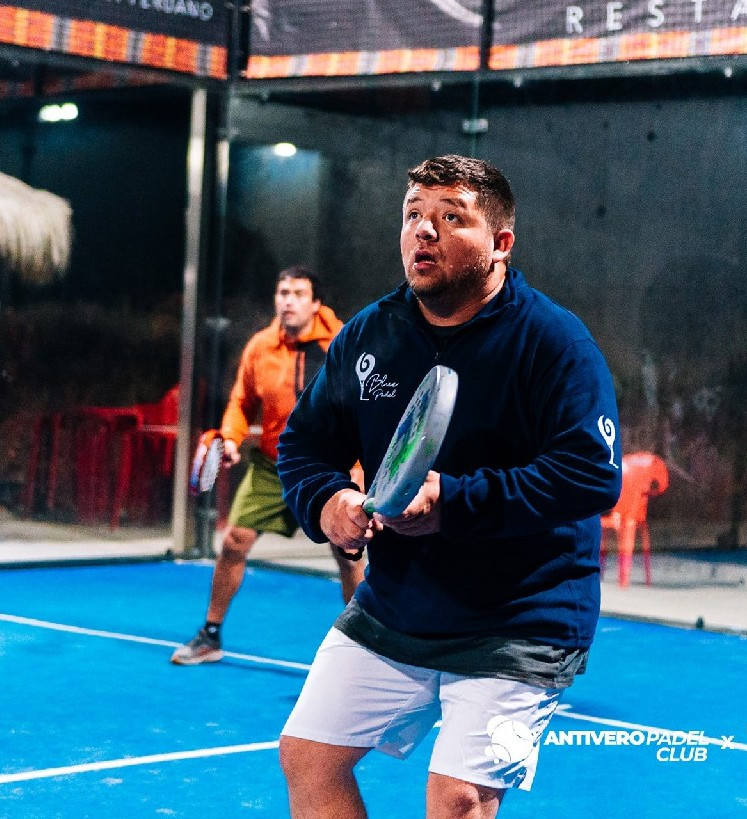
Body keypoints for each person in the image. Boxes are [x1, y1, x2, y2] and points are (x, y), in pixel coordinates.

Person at [275, 155, 622, 818]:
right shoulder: (369, 335)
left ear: (501, 243)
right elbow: (304, 446)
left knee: (458, 798)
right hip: (398, 603)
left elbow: (590, 473)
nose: (423, 231)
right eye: (413, 215)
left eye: (450, 217)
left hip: (524, 616)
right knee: (306, 756)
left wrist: (450, 503)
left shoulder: (555, 342)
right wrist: (328, 502)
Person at [171, 265, 365, 665]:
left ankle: (363, 648)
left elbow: (363, 409)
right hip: (273, 466)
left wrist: (359, 469)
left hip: (331, 466)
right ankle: (210, 635)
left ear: (316, 303)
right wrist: (231, 438)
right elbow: (241, 402)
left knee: (348, 555)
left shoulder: (344, 343)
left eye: (298, 294)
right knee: (234, 541)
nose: (288, 301)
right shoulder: (260, 347)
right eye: (282, 293)